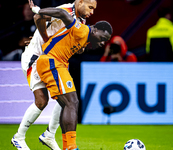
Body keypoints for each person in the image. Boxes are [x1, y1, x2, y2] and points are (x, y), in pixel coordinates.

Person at [11, 0, 97, 150]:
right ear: (80, 2)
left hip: (57, 61)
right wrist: (45, 40)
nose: (92, 12)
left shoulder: (81, 20)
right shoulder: (65, 10)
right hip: (37, 57)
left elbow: (76, 46)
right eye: (90, 7)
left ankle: (49, 134)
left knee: (66, 97)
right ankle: (19, 137)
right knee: (41, 101)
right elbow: (38, 18)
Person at [30, 2, 112, 150]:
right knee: (72, 102)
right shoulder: (83, 30)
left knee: (68, 103)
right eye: (102, 38)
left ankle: (66, 145)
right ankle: (71, 146)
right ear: (96, 29)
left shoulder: (84, 37)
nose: (102, 43)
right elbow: (63, 14)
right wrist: (38, 10)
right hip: (52, 62)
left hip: (56, 63)